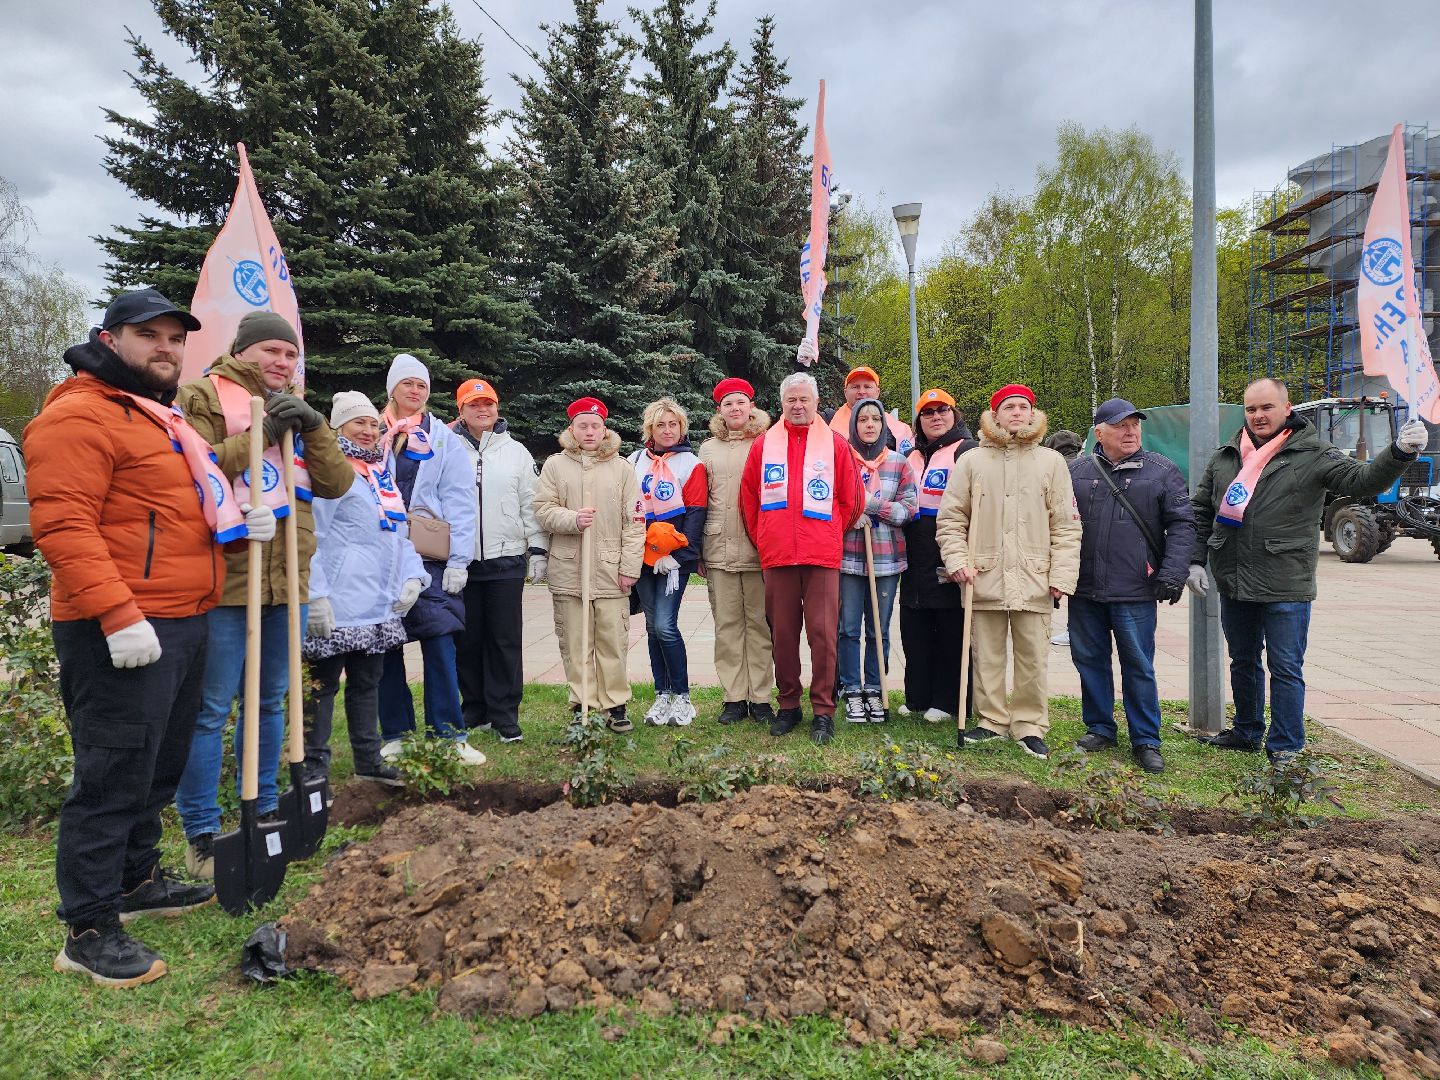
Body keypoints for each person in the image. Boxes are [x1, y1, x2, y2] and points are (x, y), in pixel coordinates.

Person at [27, 288, 273, 986]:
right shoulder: (77, 417)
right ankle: (88, 928)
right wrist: (116, 613)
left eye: (174, 338)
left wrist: (236, 523)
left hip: (183, 615)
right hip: (121, 625)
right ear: (109, 340)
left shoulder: (158, 417)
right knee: (112, 773)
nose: (165, 349)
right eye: (149, 336)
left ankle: (136, 884)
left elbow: (176, 508)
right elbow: (63, 526)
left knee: (157, 765)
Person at [173, 310, 352, 879]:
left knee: (272, 700)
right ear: (243, 350)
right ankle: (202, 832)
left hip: (286, 579)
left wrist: (315, 427)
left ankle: (267, 807)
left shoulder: (297, 410)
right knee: (210, 709)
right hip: (227, 578)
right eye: (270, 351)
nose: (281, 362)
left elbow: (337, 483)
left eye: (290, 354)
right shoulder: (202, 395)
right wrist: (261, 435)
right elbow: (192, 469)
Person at [1190, 377, 1424, 761]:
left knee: (1285, 667)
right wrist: (1195, 560)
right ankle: (1247, 731)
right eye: (1251, 409)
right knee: (1243, 661)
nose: (1259, 416)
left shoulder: (1313, 452)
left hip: (1285, 581)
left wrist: (1398, 452)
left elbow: (1362, 480)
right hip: (1234, 577)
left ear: (1286, 408)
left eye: (1266, 407)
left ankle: (1285, 746)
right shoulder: (1228, 455)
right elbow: (1201, 510)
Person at [936, 383, 1081, 759]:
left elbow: (1066, 524)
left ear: (1032, 414)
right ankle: (991, 721)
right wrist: (957, 562)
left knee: (1033, 657)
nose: (1016, 413)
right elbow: (951, 519)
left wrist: (1061, 577)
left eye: (1023, 407)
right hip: (984, 574)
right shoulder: (972, 461)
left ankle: (1030, 724)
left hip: (1034, 576)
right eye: (1008, 407)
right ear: (995, 414)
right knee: (987, 656)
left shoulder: (1051, 463)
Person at [302, 391, 428, 787]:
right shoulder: (327, 470)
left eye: (374, 423)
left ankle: (368, 760)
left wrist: (413, 576)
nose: (369, 431)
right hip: (337, 602)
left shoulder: (380, 473)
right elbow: (312, 535)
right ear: (338, 426)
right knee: (321, 688)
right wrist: (315, 593)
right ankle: (312, 770)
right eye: (359, 423)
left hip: (376, 602)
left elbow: (398, 535)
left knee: (366, 684)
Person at [1067, 398, 1195, 774]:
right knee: (1089, 661)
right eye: (1121, 425)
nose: (1130, 431)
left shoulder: (1160, 470)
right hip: (1084, 589)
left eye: (1135, 424)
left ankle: (1146, 739)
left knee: (1138, 665)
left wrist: (1173, 572)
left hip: (1136, 589)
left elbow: (1183, 524)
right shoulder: (1076, 472)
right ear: (1099, 432)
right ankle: (1100, 727)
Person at [739, 372, 864, 745]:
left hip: (821, 555)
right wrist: (765, 537)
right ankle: (789, 705)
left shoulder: (836, 445)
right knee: (783, 636)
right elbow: (749, 500)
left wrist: (829, 533)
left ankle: (823, 711)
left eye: (804, 400)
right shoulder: (763, 445)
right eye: (791, 400)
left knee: (824, 636)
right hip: (777, 555)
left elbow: (852, 499)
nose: (797, 406)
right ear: (782, 403)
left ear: (814, 402)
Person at [374, 354, 484, 765]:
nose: (415, 391)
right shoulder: (373, 432)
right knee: (386, 643)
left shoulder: (442, 439)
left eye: (421, 384)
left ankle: (449, 734)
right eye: (407, 384)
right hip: (381, 554)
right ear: (393, 388)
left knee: (440, 640)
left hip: (429, 555)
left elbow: (459, 498)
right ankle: (397, 733)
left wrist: (459, 559)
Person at [533, 397, 645, 731]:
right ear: (572, 429)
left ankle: (615, 704)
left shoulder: (622, 468)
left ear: (604, 428)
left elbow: (635, 522)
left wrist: (630, 568)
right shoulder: (555, 465)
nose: (590, 431)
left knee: (612, 641)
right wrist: (571, 519)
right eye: (583, 425)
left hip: (611, 571)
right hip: (569, 569)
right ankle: (584, 704)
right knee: (575, 643)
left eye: (595, 425)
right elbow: (542, 509)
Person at [449, 378, 547, 743]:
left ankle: (505, 713)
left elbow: (530, 503)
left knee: (505, 640)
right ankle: (475, 710)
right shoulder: (447, 447)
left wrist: (537, 549)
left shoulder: (515, 452)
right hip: (462, 561)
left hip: (505, 559)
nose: (482, 410)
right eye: (474, 405)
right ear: (461, 410)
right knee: (468, 639)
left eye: (488, 404)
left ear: (497, 408)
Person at [697, 377, 774, 725]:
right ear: (720, 410)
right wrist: (698, 548)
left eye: (741, 402)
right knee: (727, 627)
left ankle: (760, 698)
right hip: (718, 548)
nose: (735, 409)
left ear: (751, 406)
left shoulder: (768, 443)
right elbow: (700, 500)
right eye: (728, 404)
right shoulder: (708, 449)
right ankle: (734, 697)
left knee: (759, 626)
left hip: (759, 549)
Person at [628, 398, 708, 727]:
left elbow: (696, 514)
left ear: (682, 428)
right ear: (650, 429)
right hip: (643, 558)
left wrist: (678, 556)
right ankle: (662, 696)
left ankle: (683, 697)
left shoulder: (691, 465)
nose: (667, 430)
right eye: (660, 425)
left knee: (664, 624)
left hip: (674, 560)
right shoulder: (634, 461)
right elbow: (629, 508)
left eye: (673, 424)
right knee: (650, 627)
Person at [900, 388, 977, 721]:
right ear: (919, 420)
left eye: (942, 410)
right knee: (915, 626)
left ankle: (949, 700)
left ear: (954, 413)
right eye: (927, 412)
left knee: (949, 629)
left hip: (949, 547)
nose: (935, 417)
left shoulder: (967, 451)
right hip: (915, 551)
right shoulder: (913, 456)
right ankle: (918, 696)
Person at [838, 398, 917, 724]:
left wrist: (869, 505)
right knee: (848, 628)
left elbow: (906, 511)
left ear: (883, 425)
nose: (869, 425)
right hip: (848, 558)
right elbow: (831, 504)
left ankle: (875, 687)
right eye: (862, 420)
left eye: (875, 419)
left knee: (878, 630)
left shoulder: (899, 463)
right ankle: (852, 688)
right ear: (854, 425)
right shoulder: (842, 460)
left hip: (886, 559)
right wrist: (849, 514)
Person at [827, 365, 914, 454]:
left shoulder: (900, 429)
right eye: (855, 387)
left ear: (877, 392)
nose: (861, 392)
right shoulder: (827, 421)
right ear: (845, 393)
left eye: (867, 386)